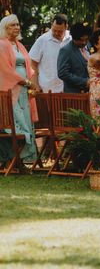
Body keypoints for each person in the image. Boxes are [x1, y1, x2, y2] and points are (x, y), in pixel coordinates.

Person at [0, 14, 37, 165]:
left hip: (23, 91)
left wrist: (32, 83)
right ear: (5, 28)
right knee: (16, 124)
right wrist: (26, 82)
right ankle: (12, 158)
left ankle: (19, 159)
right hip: (11, 90)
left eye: (17, 24)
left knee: (25, 120)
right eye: (12, 25)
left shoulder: (19, 45)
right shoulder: (2, 44)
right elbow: (5, 70)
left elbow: (30, 67)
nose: (17, 27)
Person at [28, 13, 71, 93]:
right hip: (48, 89)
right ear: (51, 25)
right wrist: (35, 84)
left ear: (66, 27)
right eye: (54, 30)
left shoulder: (71, 38)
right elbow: (32, 63)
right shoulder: (42, 40)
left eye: (60, 31)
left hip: (69, 89)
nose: (57, 33)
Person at [57, 23, 92, 93]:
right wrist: (85, 82)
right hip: (74, 93)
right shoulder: (66, 50)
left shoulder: (90, 46)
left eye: (86, 39)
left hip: (91, 92)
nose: (84, 42)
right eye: (81, 40)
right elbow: (62, 73)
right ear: (73, 38)